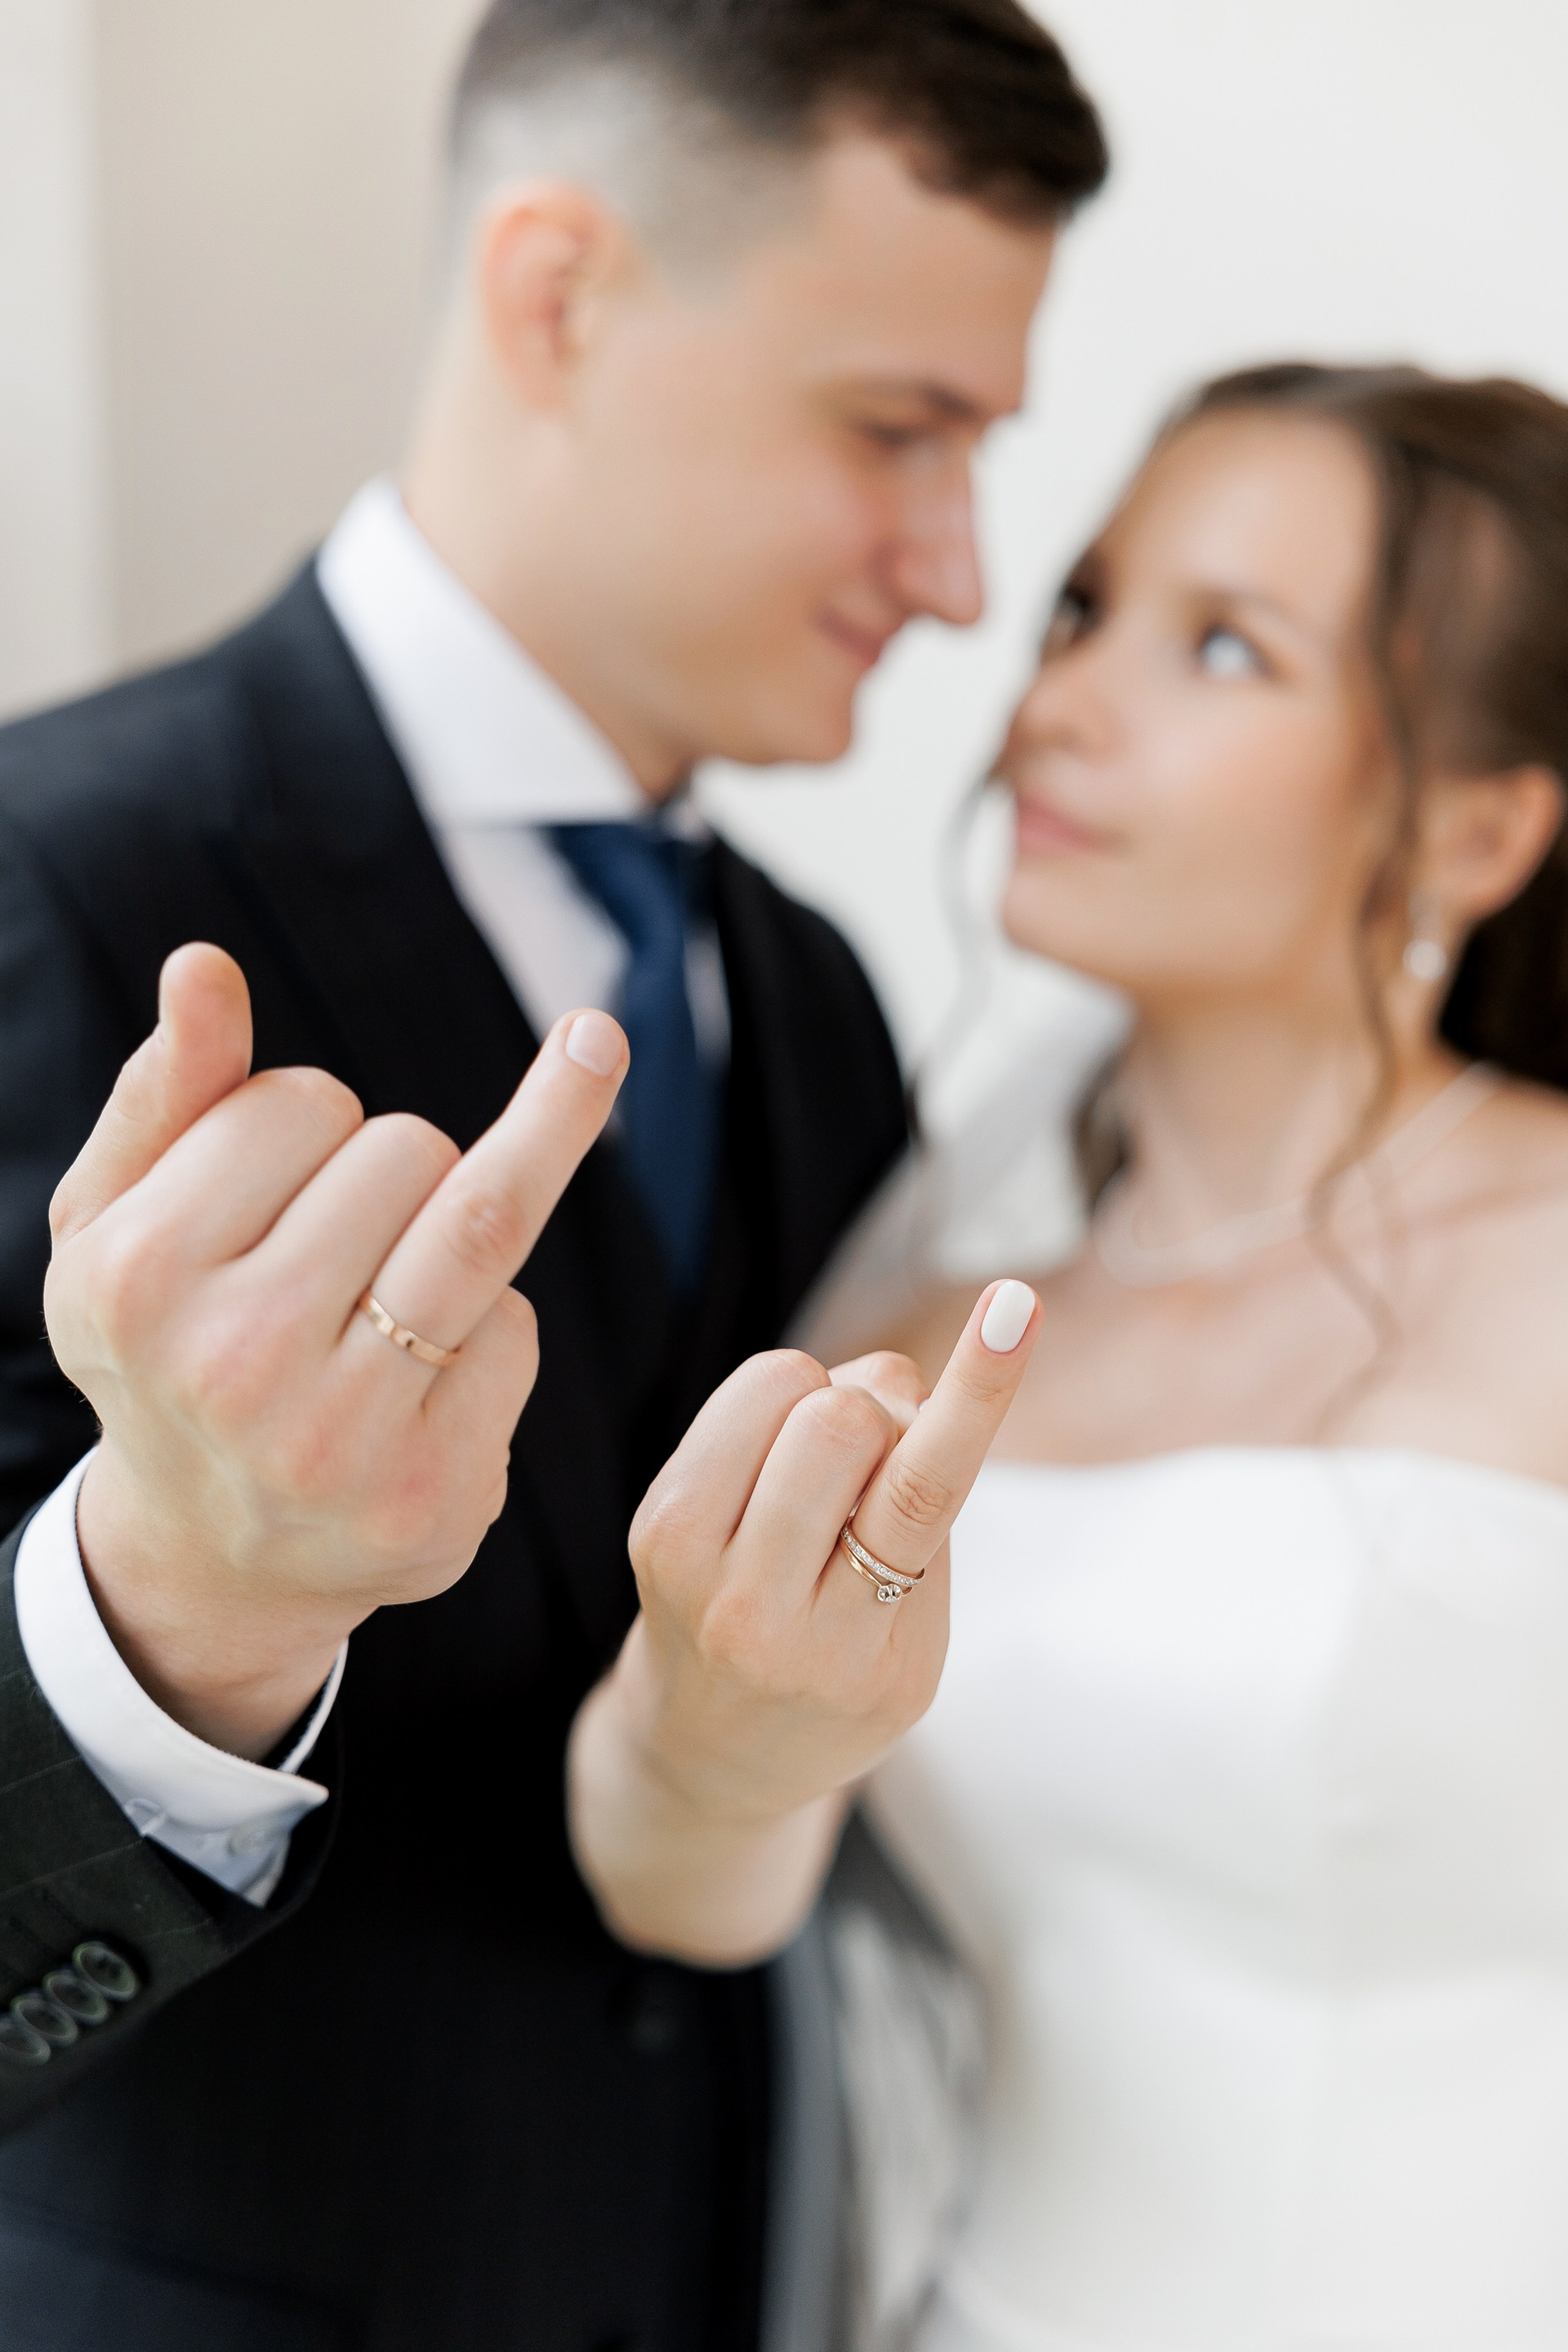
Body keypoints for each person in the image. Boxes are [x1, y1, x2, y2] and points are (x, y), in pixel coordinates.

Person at [0, 4, 1107, 2345]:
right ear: (557, 295)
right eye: (895, 428)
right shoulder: (48, 878)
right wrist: (179, 1606)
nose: (957, 570)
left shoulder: (810, 992)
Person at [570, 360, 1568, 2348]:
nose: (1060, 706)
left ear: (1477, 831)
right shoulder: (922, 1334)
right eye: (1086, 609)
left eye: (1224, 646)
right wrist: (722, 1733)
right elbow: (683, 1887)